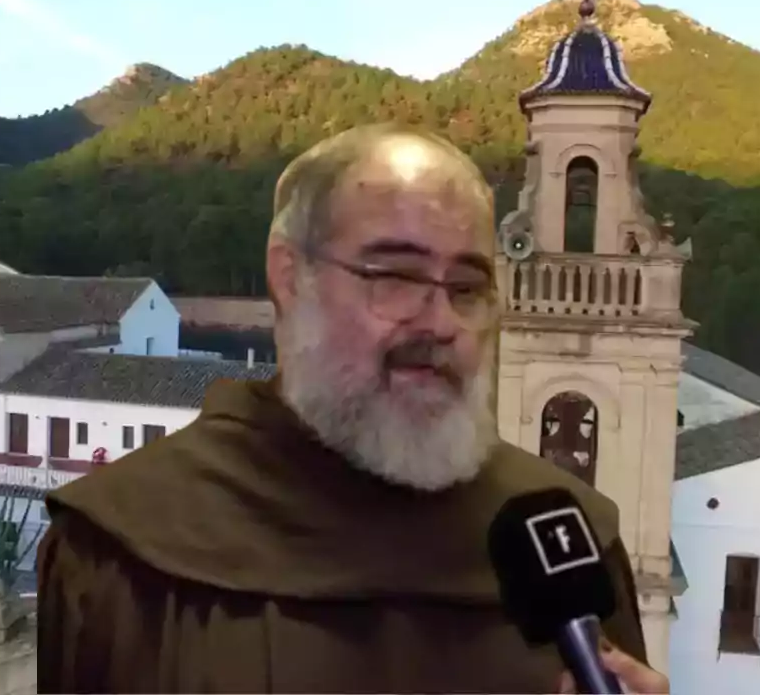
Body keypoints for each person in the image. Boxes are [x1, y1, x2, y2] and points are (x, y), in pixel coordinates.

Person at [36, 124, 669, 694]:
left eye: (468, 288)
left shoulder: (570, 544)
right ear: (290, 277)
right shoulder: (119, 548)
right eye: (394, 276)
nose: (442, 321)